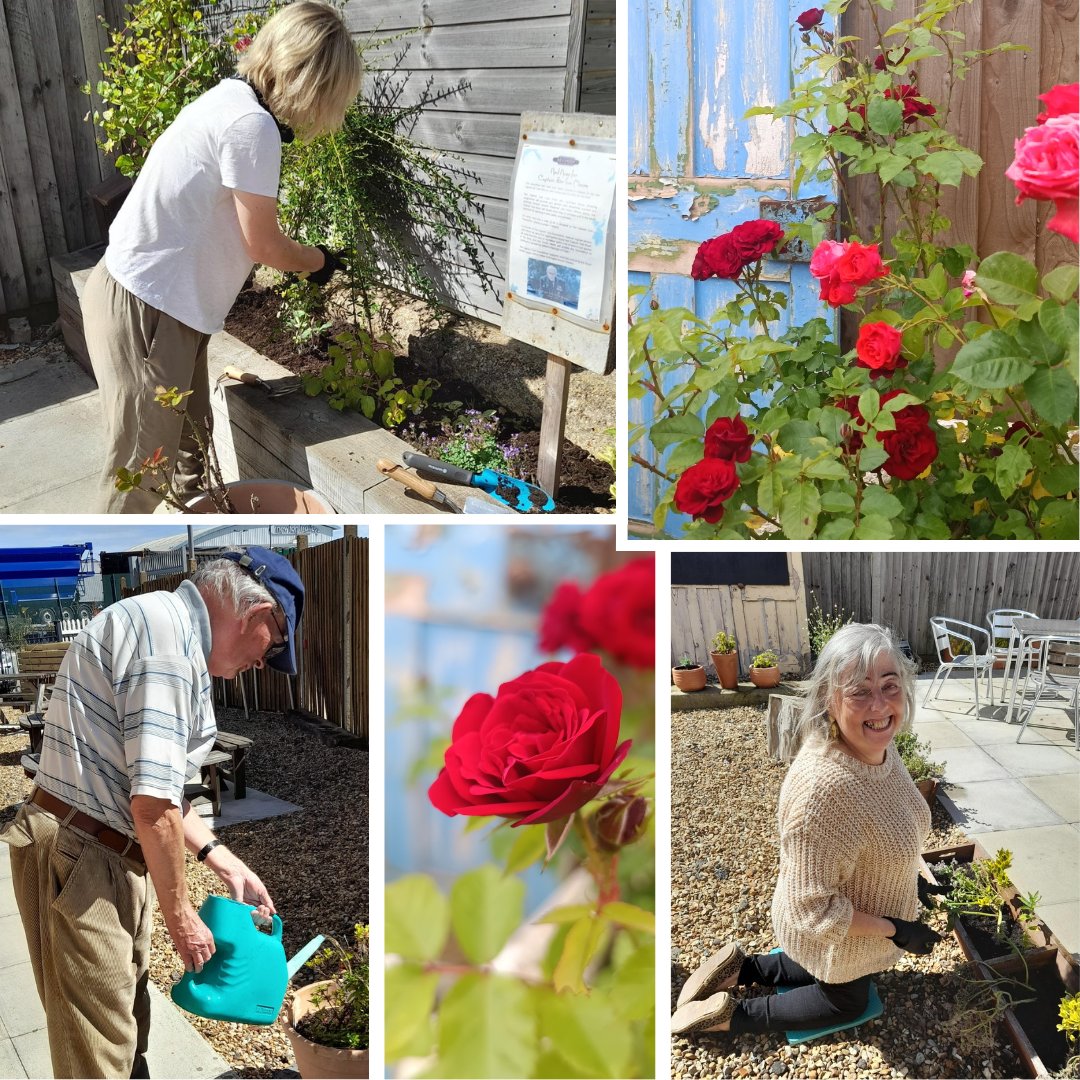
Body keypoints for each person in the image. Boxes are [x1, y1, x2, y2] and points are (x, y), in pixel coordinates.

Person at [0, 546, 304, 1078]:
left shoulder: (165, 628)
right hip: (86, 853)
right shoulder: (166, 645)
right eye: (272, 649)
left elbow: (159, 790)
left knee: (122, 1029)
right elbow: (154, 806)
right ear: (260, 613)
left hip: (100, 849)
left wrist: (221, 858)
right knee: (99, 1053)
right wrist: (181, 917)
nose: (261, 664)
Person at [84, 1, 363, 512]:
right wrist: (319, 261)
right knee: (139, 478)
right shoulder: (250, 125)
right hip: (148, 311)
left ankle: (197, 544)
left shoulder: (227, 99)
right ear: (312, 81)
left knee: (191, 450)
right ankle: (116, 580)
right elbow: (264, 245)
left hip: (157, 304)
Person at [671, 623, 945, 1037]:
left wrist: (910, 876)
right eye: (858, 691)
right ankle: (730, 1018)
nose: (880, 704)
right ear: (828, 700)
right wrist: (897, 930)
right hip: (828, 935)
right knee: (845, 1000)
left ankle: (742, 969)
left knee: (813, 965)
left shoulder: (876, 751)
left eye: (890, 685)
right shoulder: (827, 792)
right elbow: (812, 910)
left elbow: (892, 822)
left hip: (832, 924)